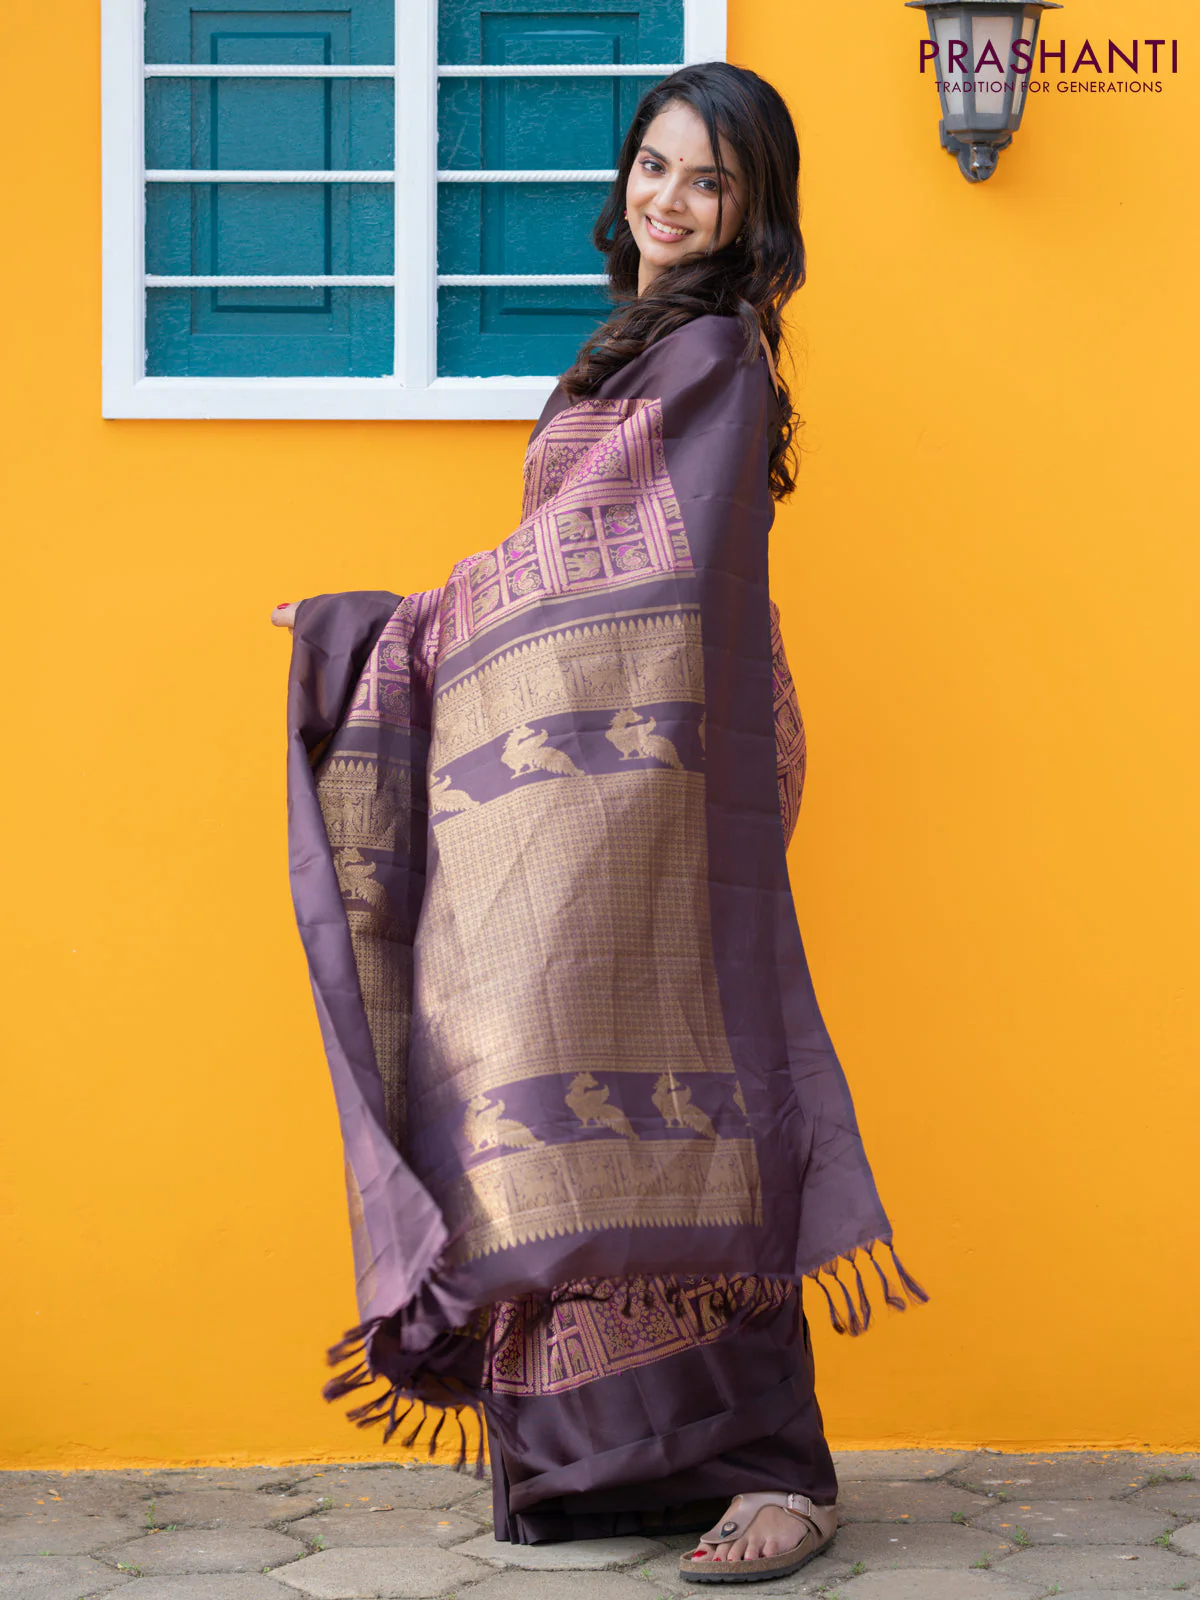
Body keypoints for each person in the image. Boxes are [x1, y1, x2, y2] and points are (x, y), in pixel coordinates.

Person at [274, 63, 924, 1587]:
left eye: (711, 180)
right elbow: (564, 556)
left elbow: (609, 564)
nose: (671, 199)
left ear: (754, 214)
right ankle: (605, 1462)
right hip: (593, 750)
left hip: (670, 755)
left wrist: (381, 629)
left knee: (688, 1083)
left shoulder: (714, 356)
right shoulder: (631, 344)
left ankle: (779, 1473)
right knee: (564, 1074)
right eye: (655, 165)